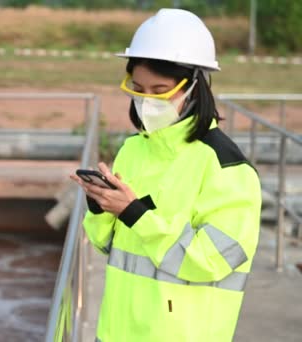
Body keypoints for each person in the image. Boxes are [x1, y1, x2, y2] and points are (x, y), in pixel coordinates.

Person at [70, 8, 262, 342]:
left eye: (160, 90)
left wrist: (135, 214)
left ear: (196, 87)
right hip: (116, 331)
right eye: (138, 88)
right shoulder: (134, 149)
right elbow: (110, 247)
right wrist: (101, 205)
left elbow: (211, 262)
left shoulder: (227, 168)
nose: (147, 101)